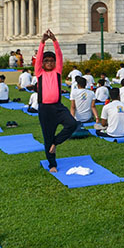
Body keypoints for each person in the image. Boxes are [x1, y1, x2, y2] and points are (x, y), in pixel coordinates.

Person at [35, 29, 78, 173]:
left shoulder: (57, 71)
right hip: (45, 110)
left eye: (51, 61)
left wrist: (54, 40)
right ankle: (52, 164)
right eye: (46, 61)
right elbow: (39, 56)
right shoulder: (39, 73)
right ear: (42, 63)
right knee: (47, 137)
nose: (49, 62)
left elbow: (59, 55)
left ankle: (56, 141)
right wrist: (42, 41)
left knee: (72, 124)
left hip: (58, 107)